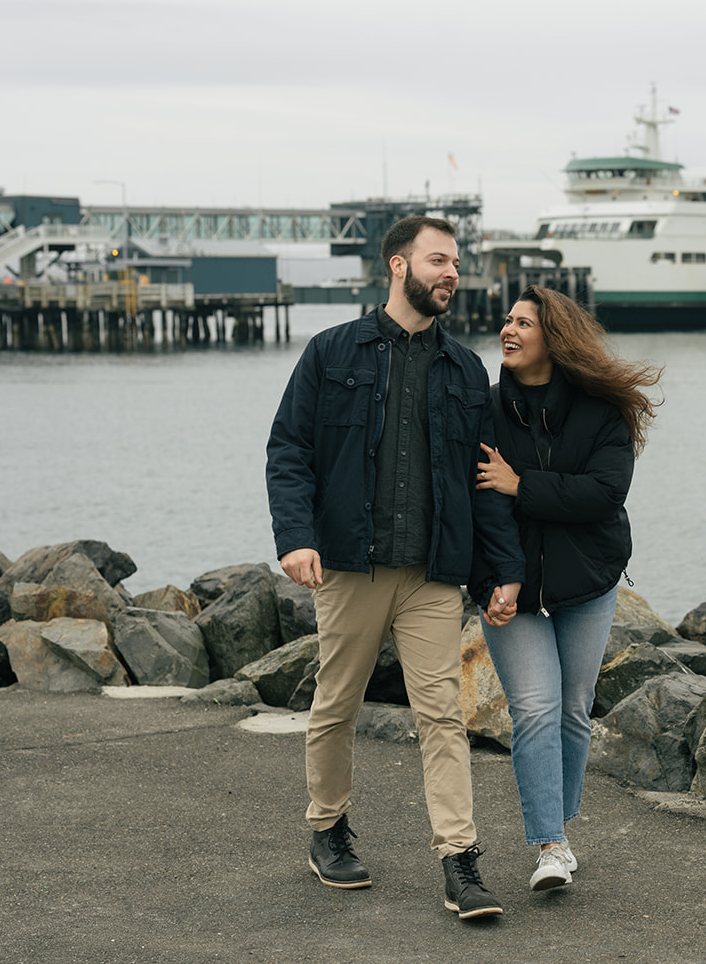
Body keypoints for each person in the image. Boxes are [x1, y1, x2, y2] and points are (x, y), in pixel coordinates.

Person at [266, 215, 525, 922]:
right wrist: (295, 535)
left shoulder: (467, 371)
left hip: (433, 573)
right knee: (336, 705)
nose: (452, 273)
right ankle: (328, 829)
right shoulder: (331, 352)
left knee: (442, 713)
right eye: (439, 260)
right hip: (350, 566)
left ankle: (460, 861)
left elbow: (484, 482)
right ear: (396, 265)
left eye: (456, 264)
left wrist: (503, 568)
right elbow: (289, 448)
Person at [471, 285, 661, 892]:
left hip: (587, 583)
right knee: (535, 711)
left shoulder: (601, 410)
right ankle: (551, 845)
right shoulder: (488, 407)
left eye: (523, 322)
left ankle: (560, 825)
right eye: (507, 320)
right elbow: (482, 498)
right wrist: (503, 576)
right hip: (511, 587)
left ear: (554, 337)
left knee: (574, 712)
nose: (508, 329)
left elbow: (603, 495)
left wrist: (521, 483)